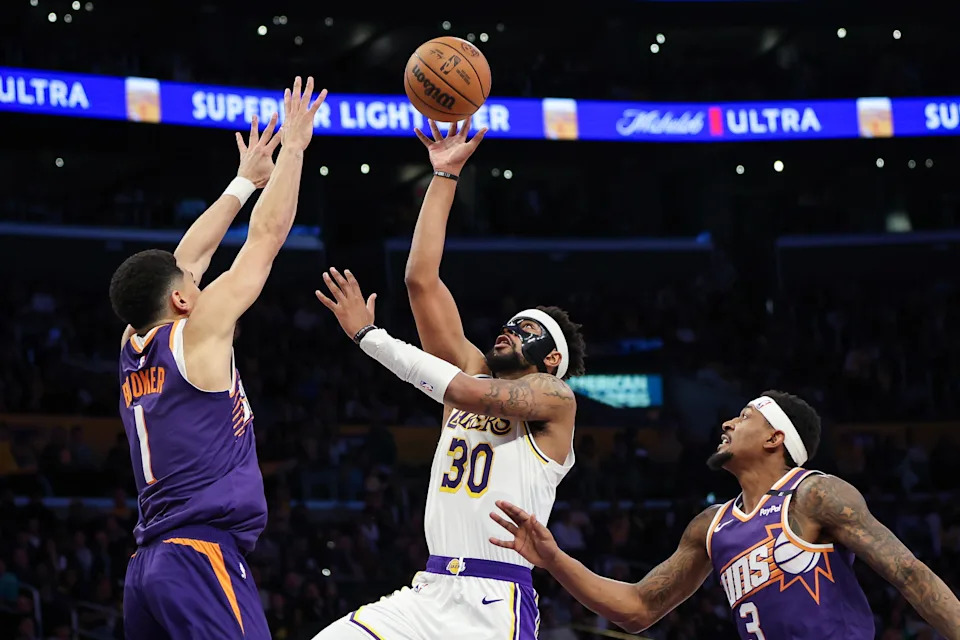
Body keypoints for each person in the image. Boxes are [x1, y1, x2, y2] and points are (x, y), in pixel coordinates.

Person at [310, 117, 587, 639]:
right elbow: (420, 280)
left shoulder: (554, 397)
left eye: (526, 330)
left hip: (493, 600)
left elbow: (464, 392)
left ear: (552, 359)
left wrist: (369, 336)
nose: (508, 331)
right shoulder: (472, 366)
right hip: (430, 587)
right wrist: (444, 176)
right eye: (509, 323)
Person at [109, 76, 326, 640]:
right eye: (192, 287)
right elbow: (266, 240)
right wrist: (294, 150)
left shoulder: (135, 344)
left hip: (149, 565)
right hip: (197, 556)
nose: (199, 285)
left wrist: (243, 181)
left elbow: (187, 256)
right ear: (181, 300)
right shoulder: (197, 332)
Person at [489, 391, 960, 639]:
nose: (728, 423)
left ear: (776, 439)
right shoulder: (711, 527)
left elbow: (908, 572)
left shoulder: (814, 495)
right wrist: (555, 560)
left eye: (744, 416)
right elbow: (637, 610)